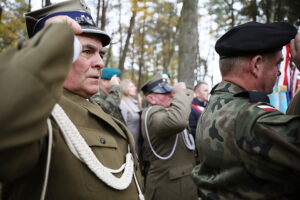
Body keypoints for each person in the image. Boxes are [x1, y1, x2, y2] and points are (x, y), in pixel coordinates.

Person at [0, 1, 144, 200]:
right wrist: (51, 42)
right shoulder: (38, 114)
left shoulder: (92, 107)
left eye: (100, 54)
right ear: (55, 54)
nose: (100, 63)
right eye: (86, 51)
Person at [192, 21, 300, 200]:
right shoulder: (253, 118)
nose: (279, 73)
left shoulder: (218, 102)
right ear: (256, 64)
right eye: (277, 64)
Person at [141, 73, 198, 200]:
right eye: (164, 92)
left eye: (170, 91)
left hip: (182, 185)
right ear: (151, 98)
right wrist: (182, 92)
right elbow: (178, 121)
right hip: (168, 188)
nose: (171, 94)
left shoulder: (168, 112)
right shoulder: (153, 113)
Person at [120, 79, 142, 159]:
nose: (135, 88)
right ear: (125, 88)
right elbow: (123, 124)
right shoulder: (122, 103)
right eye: (131, 86)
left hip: (137, 142)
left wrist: (140, 103)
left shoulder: (133, 102)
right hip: (129, 144)